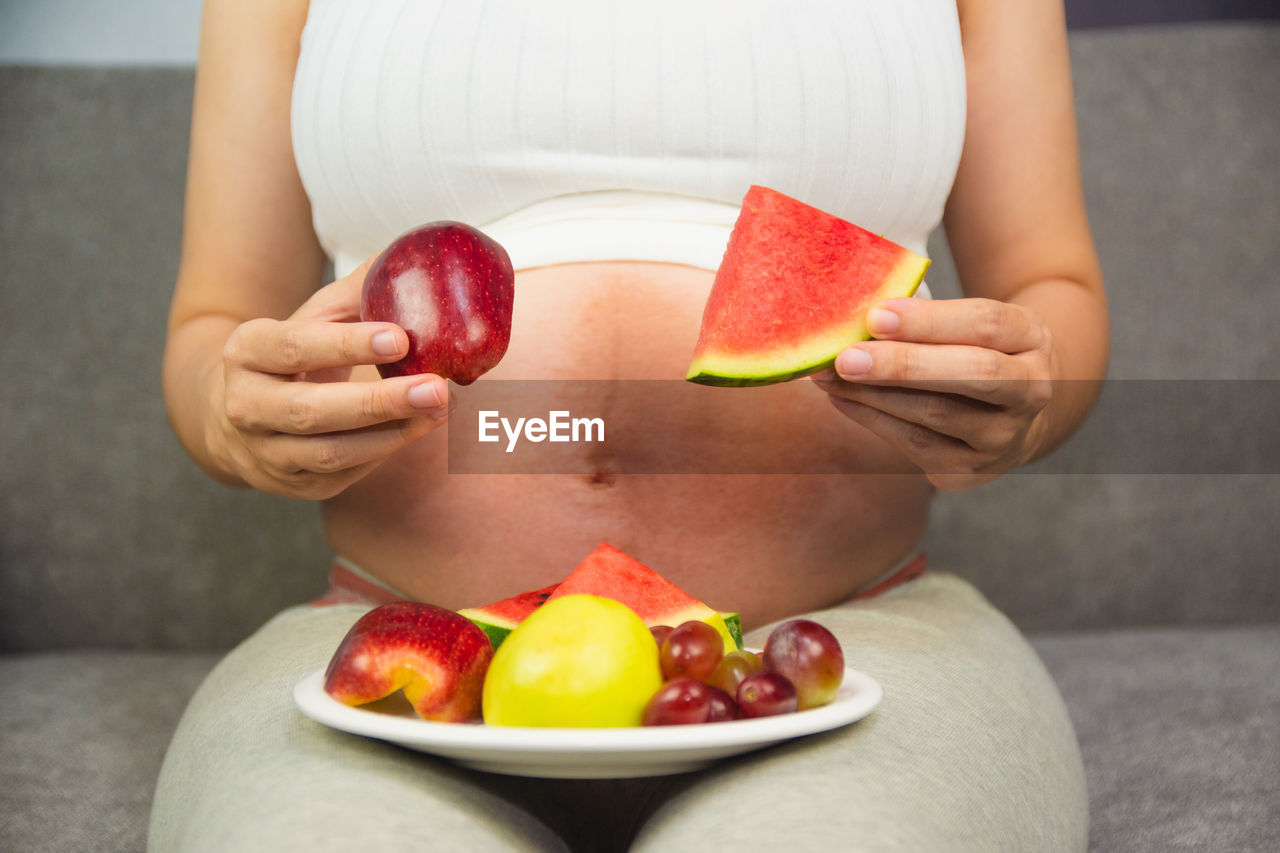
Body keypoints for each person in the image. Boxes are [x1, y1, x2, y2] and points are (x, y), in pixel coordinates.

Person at [151, 0, 1109, 850]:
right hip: (396, 644)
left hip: (843, 647)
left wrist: (1034, 386)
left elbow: (1049, 288)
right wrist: (229, 415)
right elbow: (215, 321)